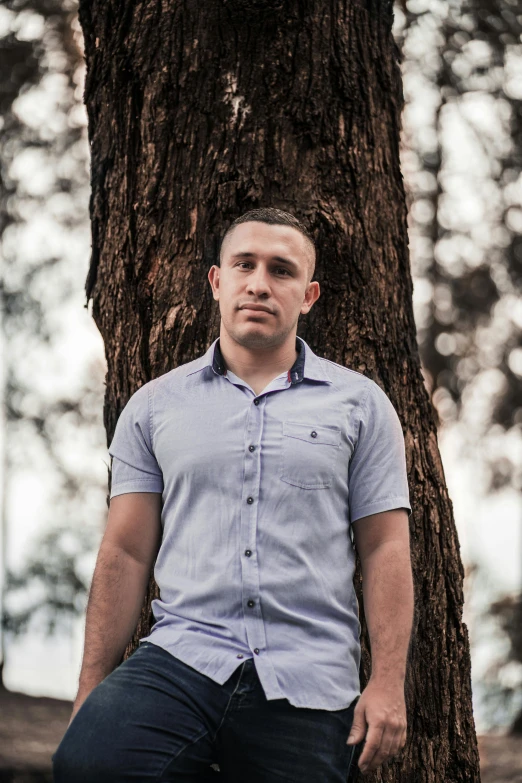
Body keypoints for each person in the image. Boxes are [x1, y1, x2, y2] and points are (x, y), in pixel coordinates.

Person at [52, 207, 414, 782]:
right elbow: (125, 551)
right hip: (183, 659)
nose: (259, 283)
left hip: (309, 679)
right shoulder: (153, 407)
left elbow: (385, 549)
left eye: (281, 270)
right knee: (89, 762)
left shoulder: (362, 406)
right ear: (218, 282)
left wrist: (387, 684)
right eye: (244, 265)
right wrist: (90, 690)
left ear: (308, 295)